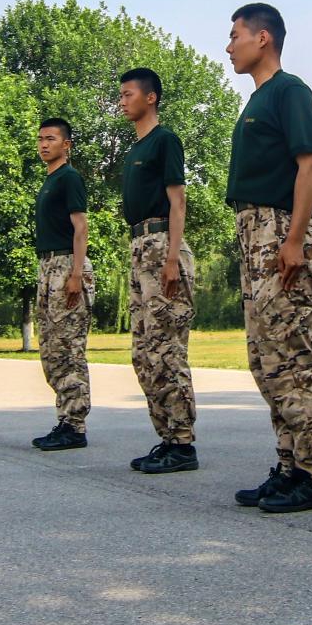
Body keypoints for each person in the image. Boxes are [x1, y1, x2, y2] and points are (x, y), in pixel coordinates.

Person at [223, 5, 312, 514]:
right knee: (265, 357)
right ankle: (289, 464)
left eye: (235, 36)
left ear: (262, 38)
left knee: (291, 354)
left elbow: (310, 163)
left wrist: (292, 239)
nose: (229, 46)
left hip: (279, 228)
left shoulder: (291, 91)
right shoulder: (258, 100)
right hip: (254, 231)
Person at [118, 68, 200, 475]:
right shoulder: (133, 149)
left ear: (150, 98)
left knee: (167, 349)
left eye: (128, 93)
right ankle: (165, 436)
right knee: (143, 352)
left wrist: (171, 257)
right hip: (137, 246)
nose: (122, 100)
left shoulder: (165, 141)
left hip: (161, 242)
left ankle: (183, 443)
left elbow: (178, 201)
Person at [30, 117, 93, 452]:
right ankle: (64, 419)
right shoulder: (48, 180)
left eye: (51, 139)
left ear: (66, 145)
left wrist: (76, 274)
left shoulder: (69, 178)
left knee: (69, 348)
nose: (43, 144)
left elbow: (80, 227)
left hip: (67, 263)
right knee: (52, 349)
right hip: (47, 266)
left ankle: (75, 425)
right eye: (40, 138)